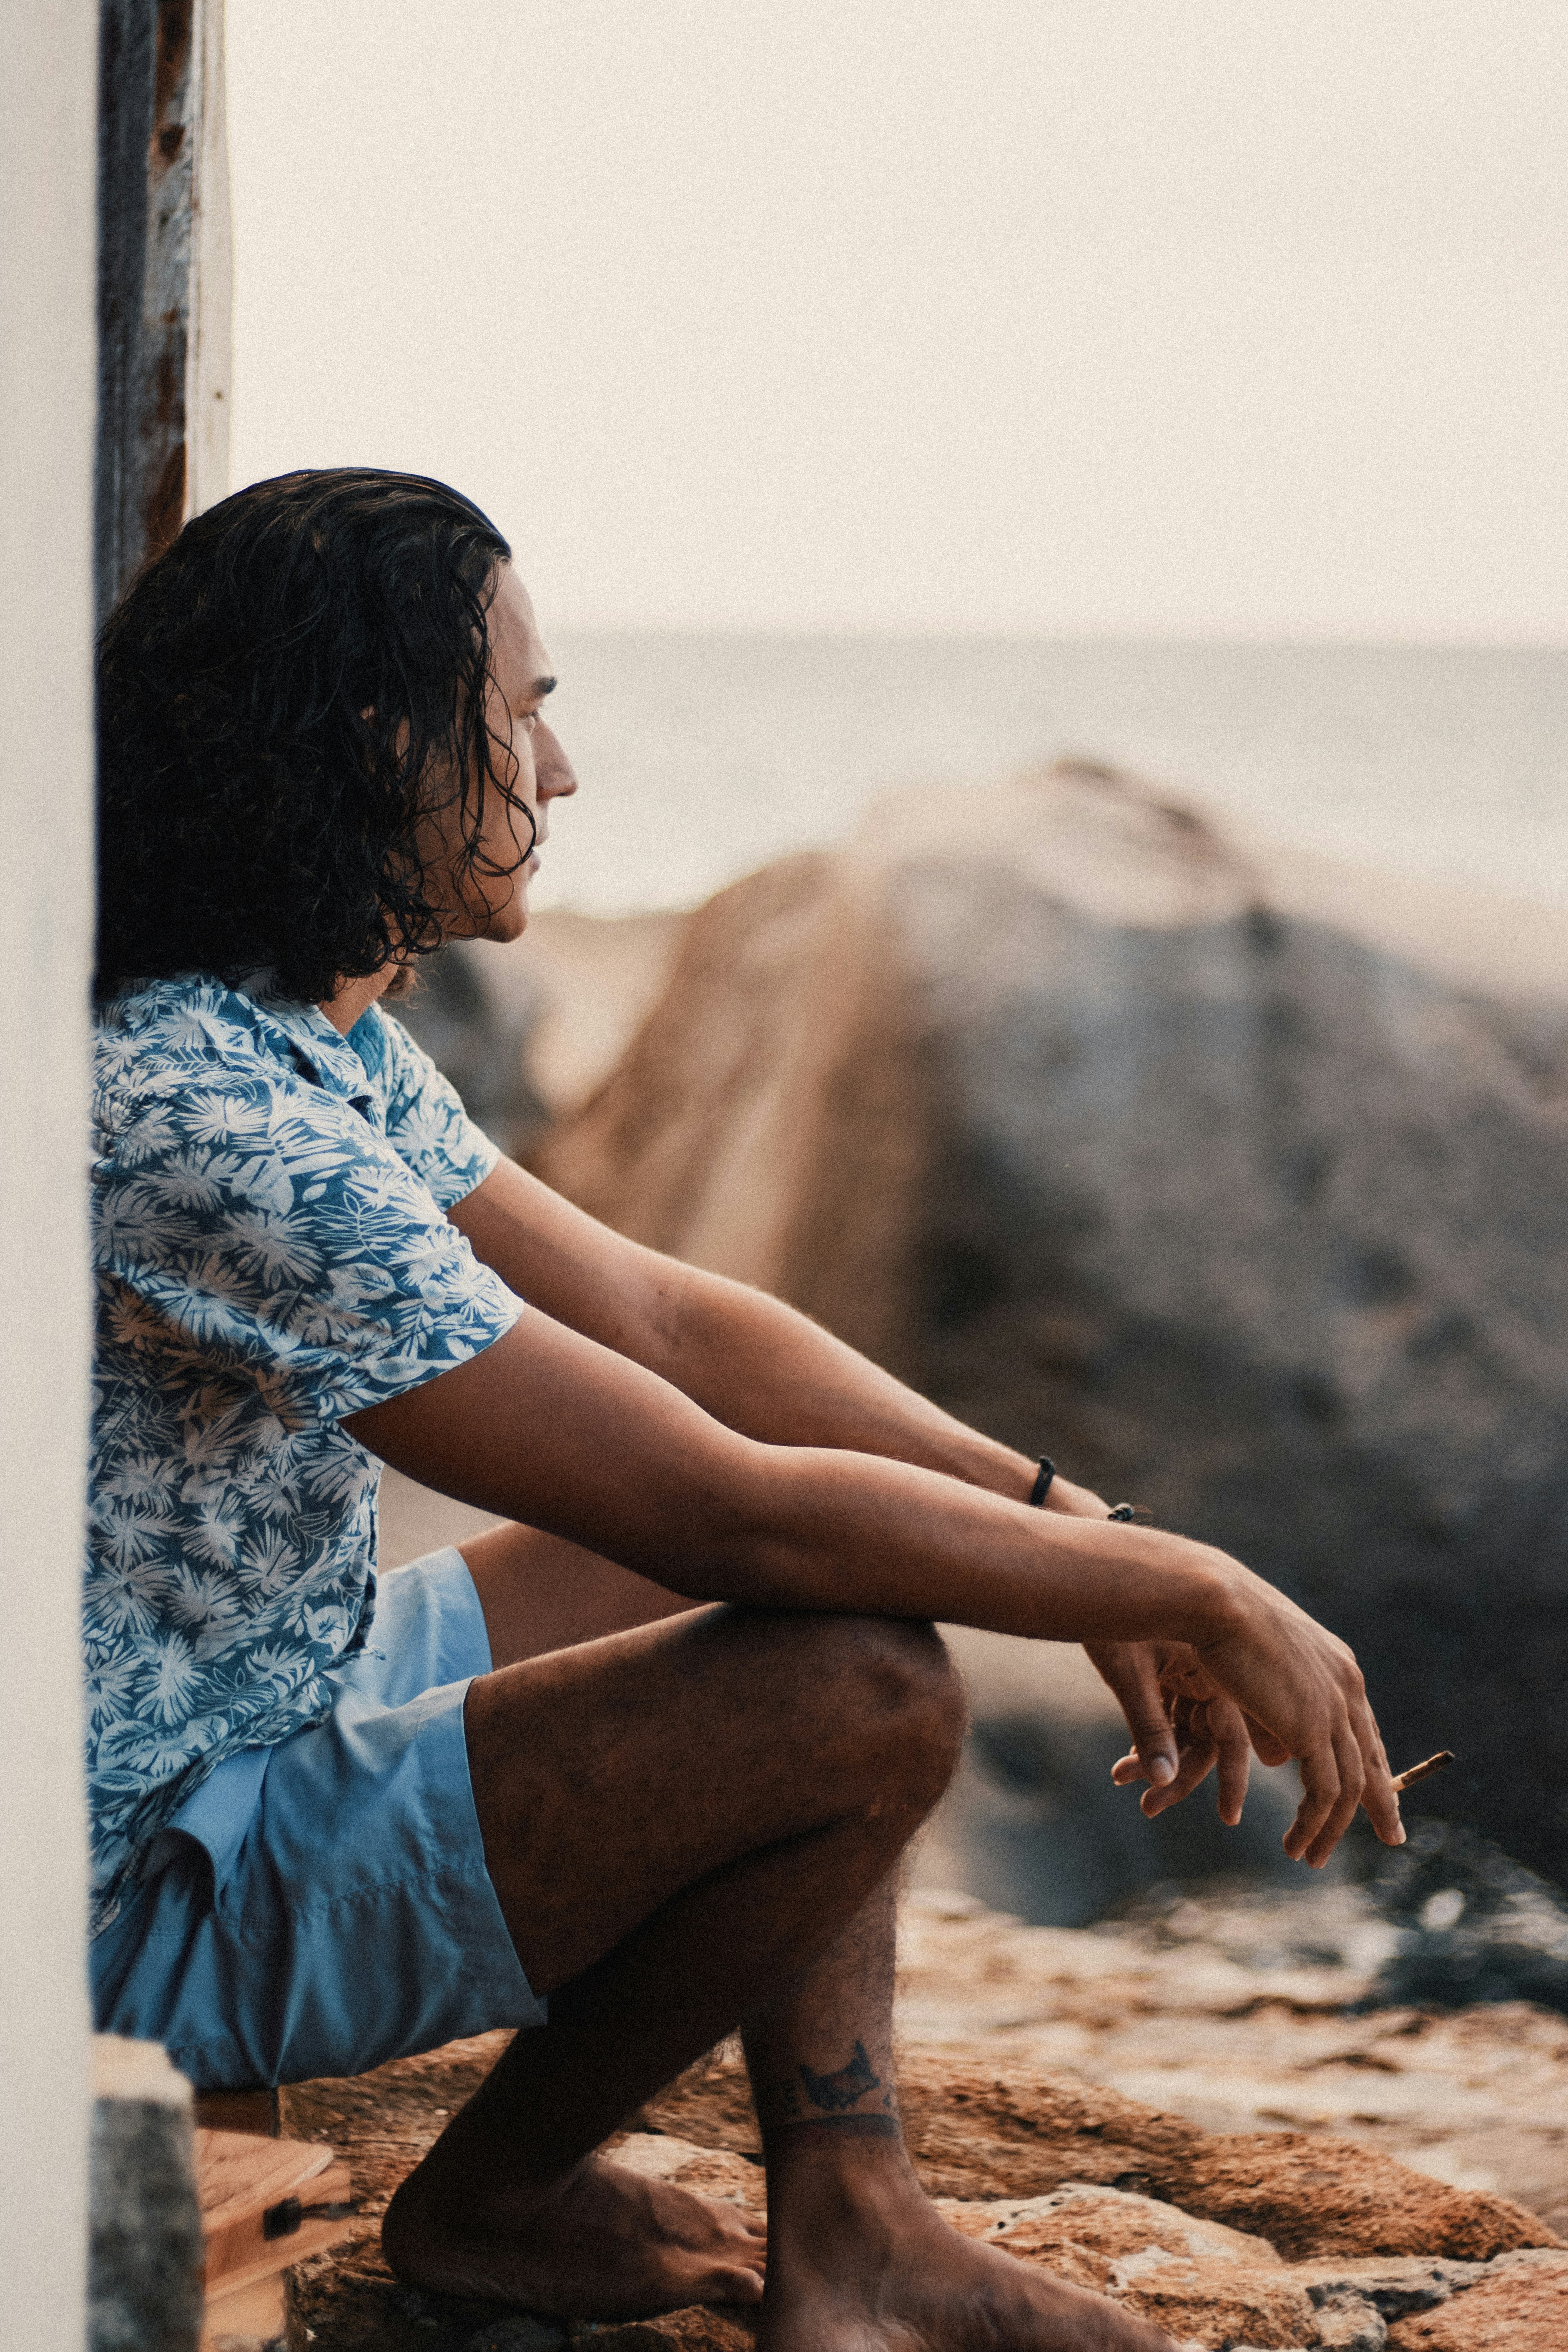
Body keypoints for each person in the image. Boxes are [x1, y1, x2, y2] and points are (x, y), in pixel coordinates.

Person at [87, 468, 1404, 2352]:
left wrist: (1072, 1523)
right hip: (135, 1889)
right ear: (380, 735)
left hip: (251, 1701)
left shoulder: (289, 1033)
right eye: (520, 714)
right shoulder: (207, 1126)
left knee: (855, 1578)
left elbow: (660, 1316)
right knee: (857, 1676)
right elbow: (727, 1514)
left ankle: (851, 2218)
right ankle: (507, 2194)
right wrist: (1191, 1588)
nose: (556, 777)